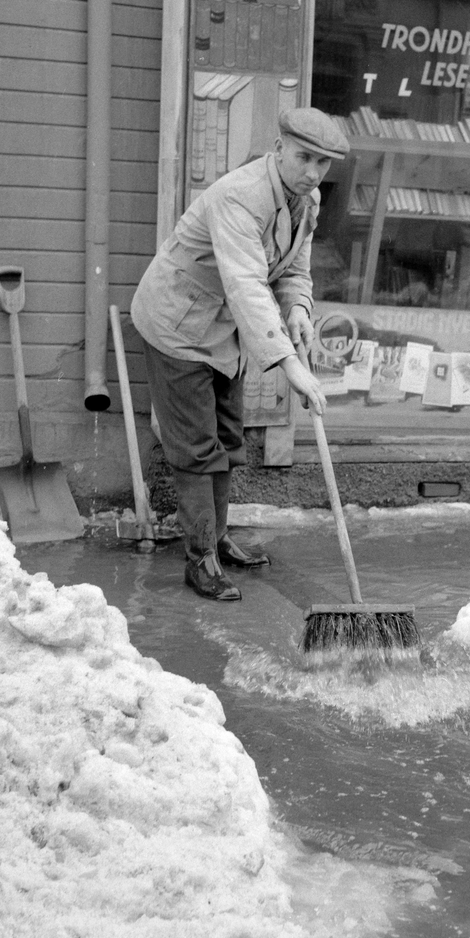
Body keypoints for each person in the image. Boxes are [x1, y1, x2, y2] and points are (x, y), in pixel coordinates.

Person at [131, 107, 349, 600]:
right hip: (178, 325)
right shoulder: (239, 198)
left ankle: (219, 538)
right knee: (195, 447)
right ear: (279, 149)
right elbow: (247, 284)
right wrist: (290, 365)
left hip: (223, 329)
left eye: (323, 163)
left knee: (229, 439)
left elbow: (293, 270)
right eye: (304, 157)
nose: (313, 172)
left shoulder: (304, 199)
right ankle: (200, 558)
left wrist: (297, 308)